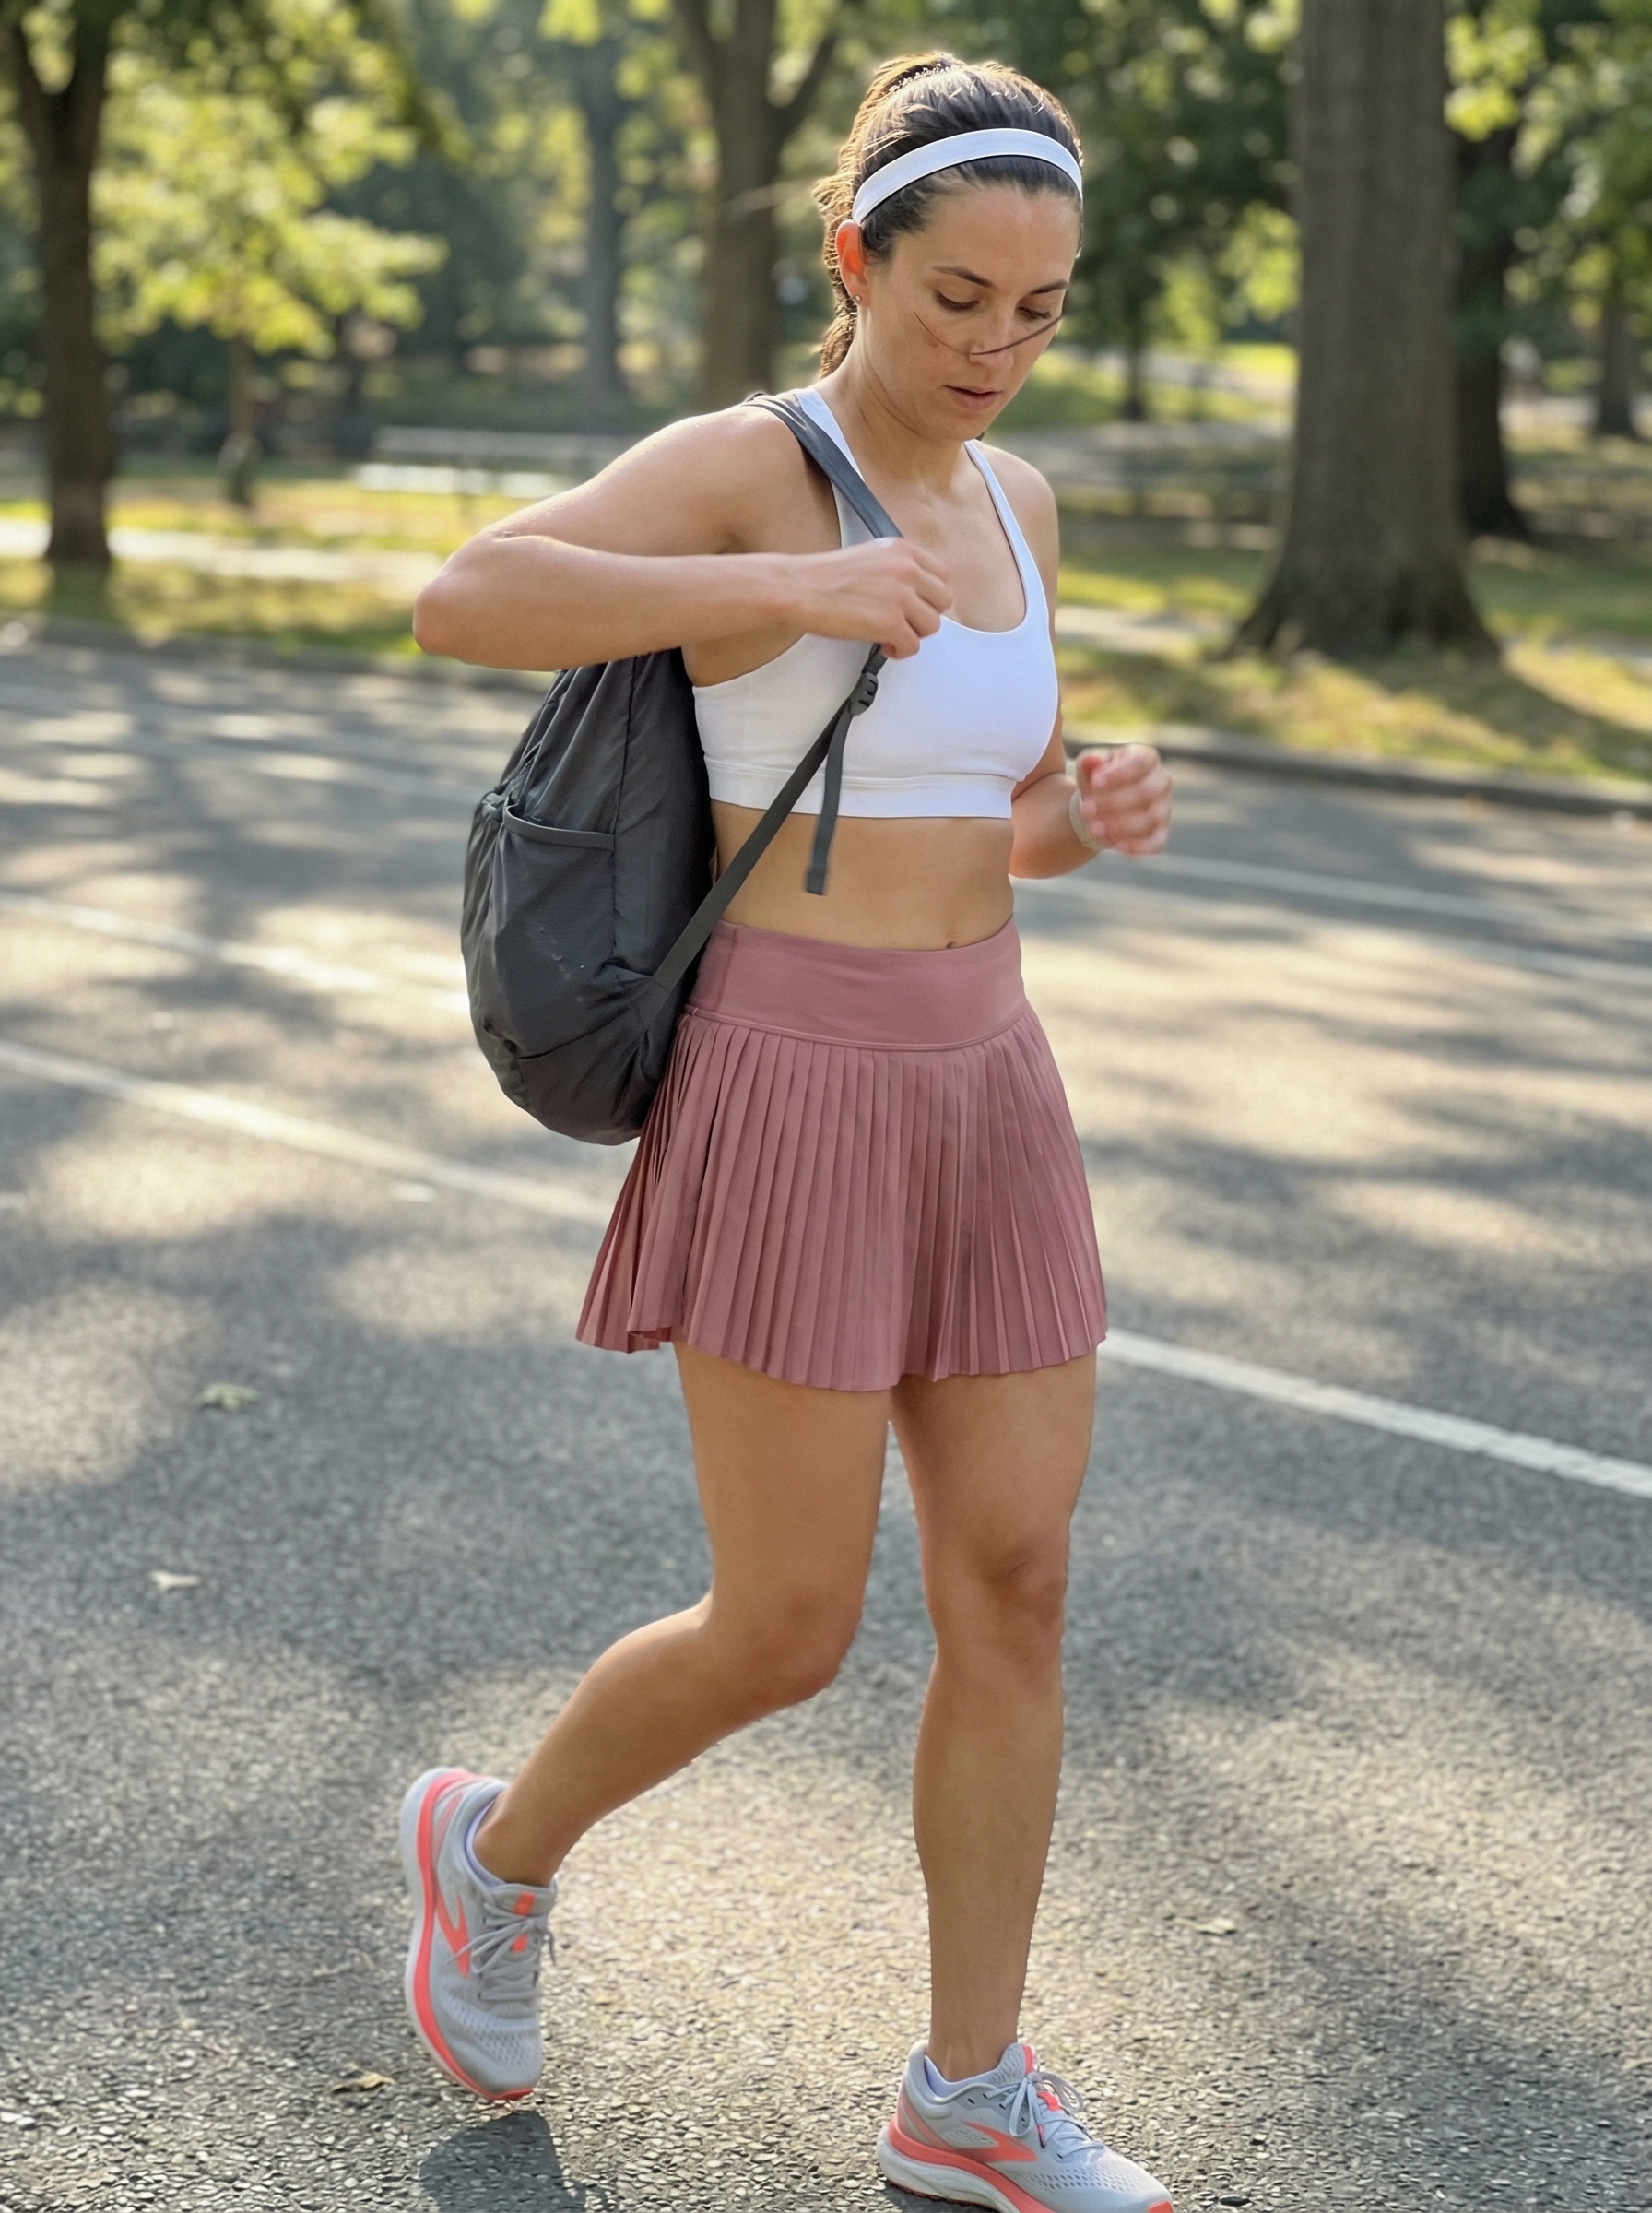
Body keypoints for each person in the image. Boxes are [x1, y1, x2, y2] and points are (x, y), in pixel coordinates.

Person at [402, 52, 1175, 2213]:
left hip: (986, 1078)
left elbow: (975, 818)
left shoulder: (1020, 508)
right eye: (956, 298)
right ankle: (493, 1855)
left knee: (1013, 1583)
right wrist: (790, 594)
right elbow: (465, 597)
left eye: (1038, 308)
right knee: (787, 1625)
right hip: (791, 1079)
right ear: (855, 257)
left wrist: (1082, 811)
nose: (998, 346)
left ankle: (967, 2095)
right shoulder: (757, 467)